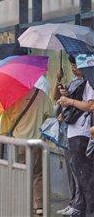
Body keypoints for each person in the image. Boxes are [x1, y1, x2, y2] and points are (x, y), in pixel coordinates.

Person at [0, 86, 53, 215]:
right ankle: (39, 205)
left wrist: (3, 135)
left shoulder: (13, 96)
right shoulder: (41, 95)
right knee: (38, 173)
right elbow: (50, 116)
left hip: (19, 143)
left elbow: (5, 120)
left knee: (21, 173)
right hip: (37, 142)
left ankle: (23, 203)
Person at [56, 56, 94, 216]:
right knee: (78, 175)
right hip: (74, 133)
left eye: (76, 65)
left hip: (82, 134)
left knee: (85, 176)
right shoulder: (78, 82)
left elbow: (90, 105)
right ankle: (79, 207)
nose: (73, 68)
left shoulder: (90, 82)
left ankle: (88, 210)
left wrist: (69, 101)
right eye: (71, 65)